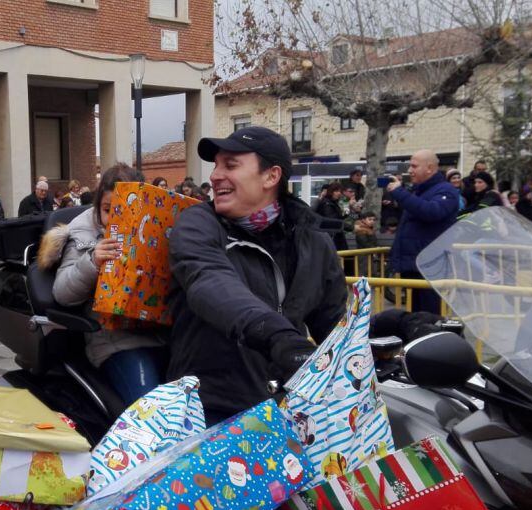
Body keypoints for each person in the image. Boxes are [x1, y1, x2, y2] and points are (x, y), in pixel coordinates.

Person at [168, 126, 347, 423]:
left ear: (271, 176)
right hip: (208, 410)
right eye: (216, 165)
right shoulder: (198, 225)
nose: (215, 175)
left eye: (231, 165)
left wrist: (396, 326)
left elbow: (335, 325)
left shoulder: (313, 242)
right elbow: (210, 282)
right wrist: (278, 336)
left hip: (286, 409)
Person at [41, 163, 166, 405]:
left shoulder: (152, 228)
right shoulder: (82, 234)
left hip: (163, 333)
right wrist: (92, 261)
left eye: (127, 210)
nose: (116, 218)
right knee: (149, 408)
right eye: (109, 210)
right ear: (98, 206)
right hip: (116, 341)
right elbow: (62, 293)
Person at [386, 149, 460, 314]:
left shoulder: (446, 191)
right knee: (416, 316)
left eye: (414, 166)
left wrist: (400, 193)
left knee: (430, 317)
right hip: (415, 265)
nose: (410, 171)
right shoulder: (419, 190)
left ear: (429, 168)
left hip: (430, 267)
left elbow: (430, 212)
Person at [313, 182, 349, 251]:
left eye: (340, 191)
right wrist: (351, 227)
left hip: (335, 236)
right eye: (336, 191)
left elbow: (337, 218)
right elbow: (333, 220)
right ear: (330, 192)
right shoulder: (327, 204)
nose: (339, 193)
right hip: (331, 238)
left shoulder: (333, 203)